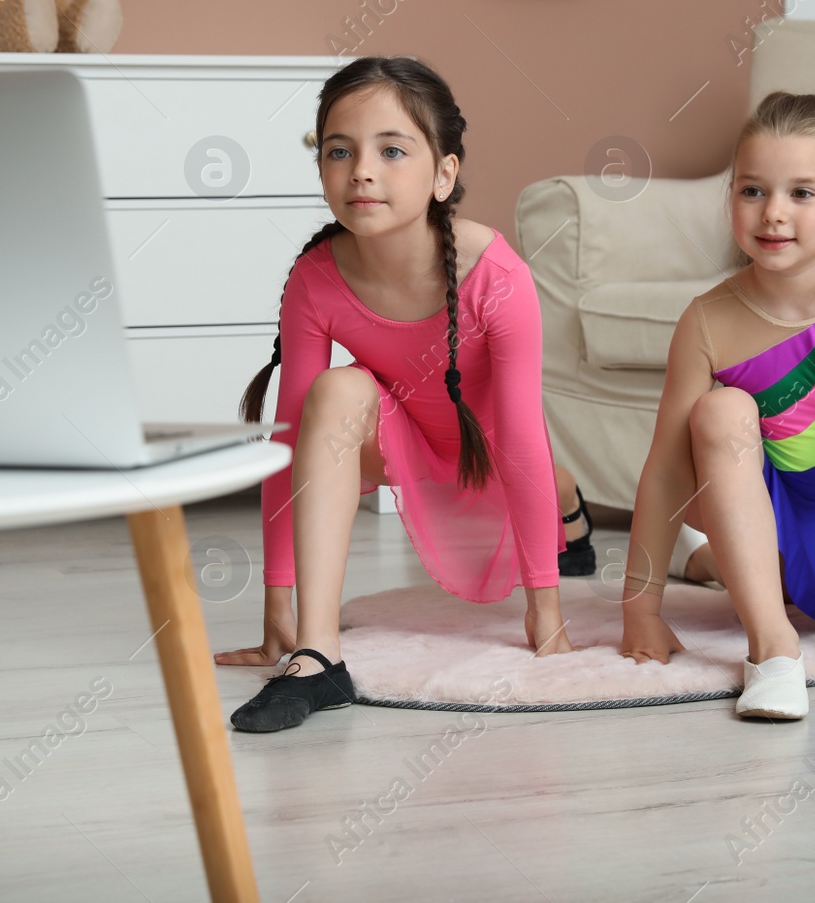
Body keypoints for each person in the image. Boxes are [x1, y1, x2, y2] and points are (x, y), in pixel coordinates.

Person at [223, 55, 587, 733]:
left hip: (493, 455)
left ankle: (569, 512)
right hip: (407, 450)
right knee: (332, 392)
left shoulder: (495, 276)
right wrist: (278, 608)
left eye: (392, 150)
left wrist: (547, 609)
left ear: (444, 174)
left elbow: (515, 435)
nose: (362, 169)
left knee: (540, 468)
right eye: (340, 150)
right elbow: (290, 436)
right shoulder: (315, 277)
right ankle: (317, 653)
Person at [620, 91, 815, 721]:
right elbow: (669, 470)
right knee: (720, 411)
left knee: (807, 590)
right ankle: (774, 652)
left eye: (802, 193)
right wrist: (640, 609)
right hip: (745, 488)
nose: (773, 214)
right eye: (752, 191)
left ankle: (703, 557)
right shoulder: (706, 319)